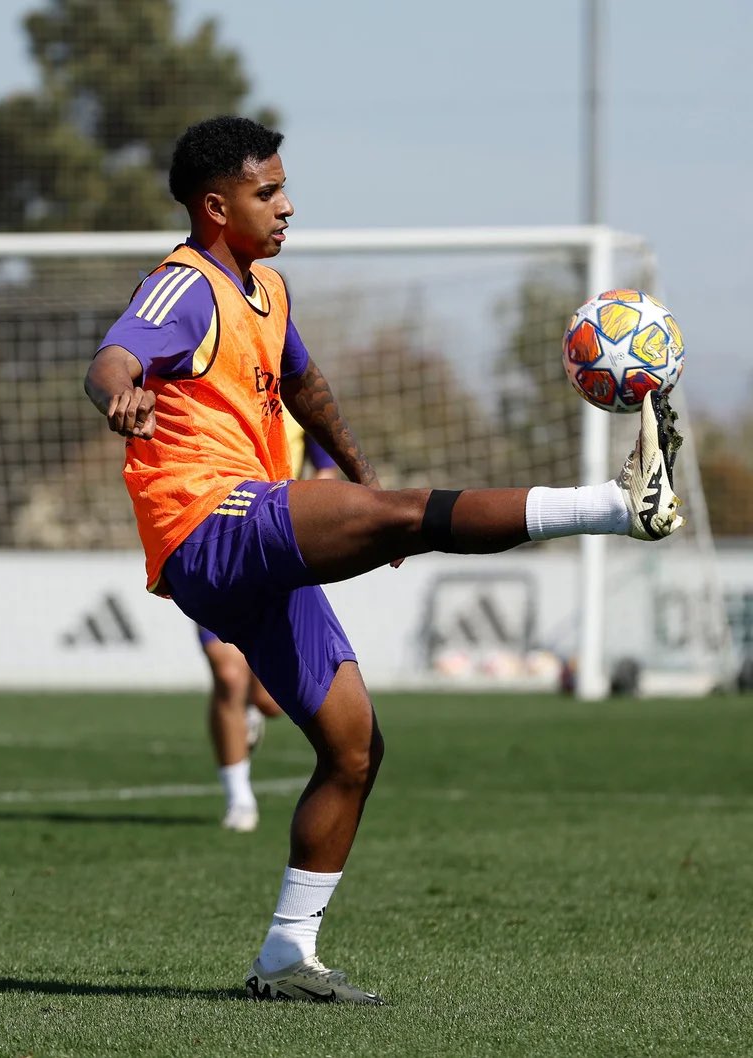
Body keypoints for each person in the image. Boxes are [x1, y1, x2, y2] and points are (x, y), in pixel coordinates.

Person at [84, 115, 684, 1005]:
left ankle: (288, 954)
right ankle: (611, 504)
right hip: (205, 522)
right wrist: (120, 395)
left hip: (248, 532)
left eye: (283, 187)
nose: (287, 206)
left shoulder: (267, 290)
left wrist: (358, 474)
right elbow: (115, 354)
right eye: (267, 192)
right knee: (411, 516)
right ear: (216, 206)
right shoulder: (186, 285)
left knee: (354, 748)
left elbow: (303, 385)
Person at [200, 414, 338, 834]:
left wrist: (310, 506)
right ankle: (239, 797)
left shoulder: (295, 404)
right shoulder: (215, 398)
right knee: (227, 674)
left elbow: (327, 471)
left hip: (274, 548)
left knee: (270, 702)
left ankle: (250, 712)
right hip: (214, 543)